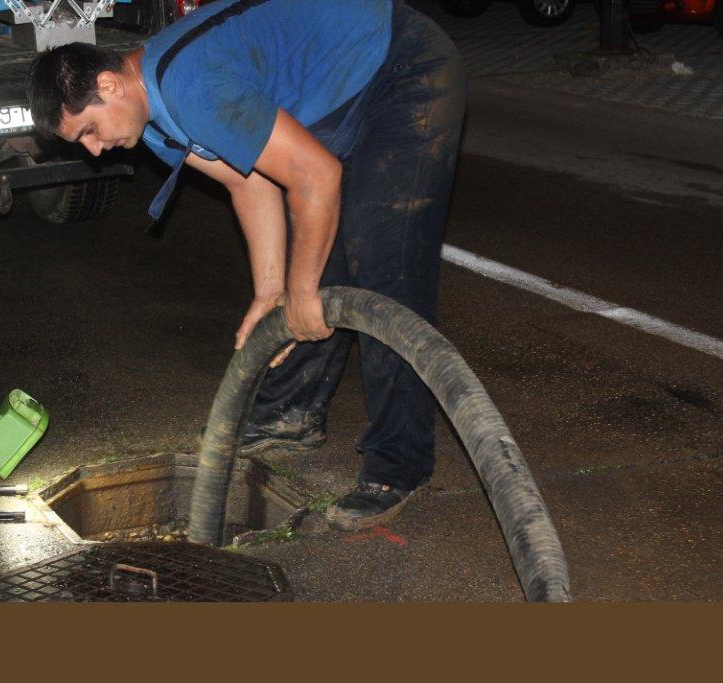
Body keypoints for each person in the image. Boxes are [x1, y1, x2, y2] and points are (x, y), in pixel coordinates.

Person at [27, 0, 466, 531]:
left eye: (90, 130)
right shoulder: (152, 121)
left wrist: (299, 290)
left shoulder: (189, 88)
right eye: (83, 143)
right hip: (344, 92)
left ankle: (400, 464)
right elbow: (248, 179)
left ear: (110, 84)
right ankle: (290, 414)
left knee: (382, 266)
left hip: (402, 68)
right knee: (317, 256)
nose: (95, 151)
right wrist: (272, 292)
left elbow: (315, 178)